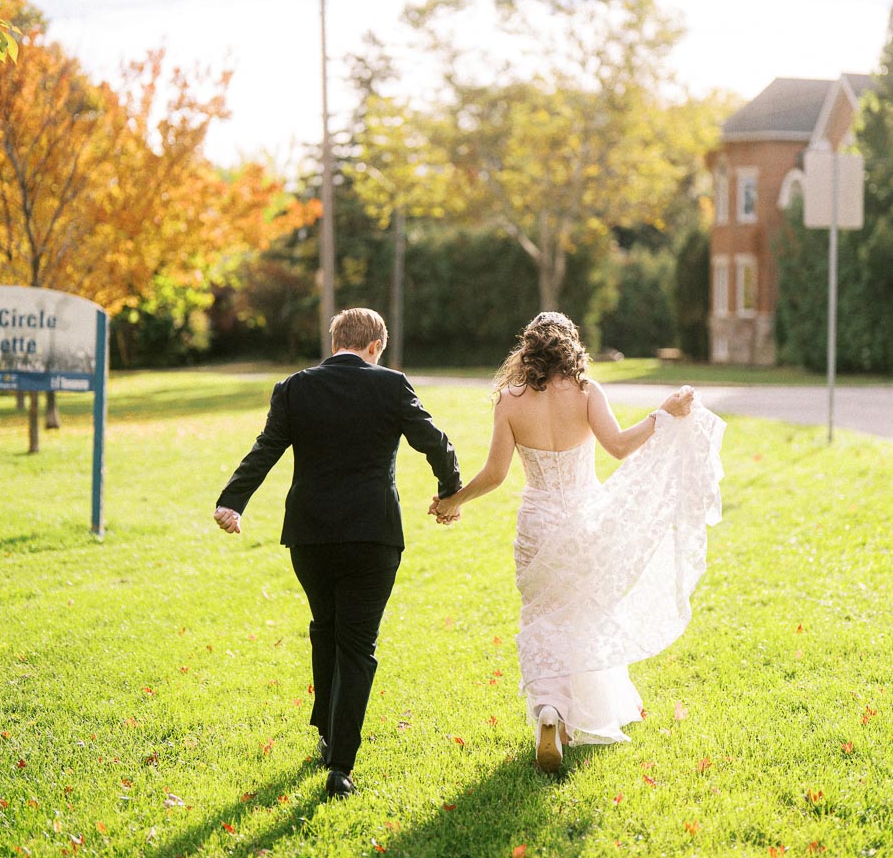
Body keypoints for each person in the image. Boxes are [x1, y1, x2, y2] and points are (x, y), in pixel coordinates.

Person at [430, 312, 724, 774]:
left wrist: (454, 500)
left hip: (537, 524)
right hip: (586, 520)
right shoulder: (587, 392)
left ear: (528, 351)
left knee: (542, 616)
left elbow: (495, 474)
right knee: (581, 615)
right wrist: (662, 413)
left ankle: (551, 710)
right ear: (571, 348)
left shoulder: (509, 400)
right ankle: (563, 718)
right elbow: (621, 447)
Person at [214, 307, 461, 799]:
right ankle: (340, 764)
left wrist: (231, 502)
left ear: (335, 343)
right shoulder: (391, 385)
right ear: (375, 347)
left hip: (309, 536)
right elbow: (435, 442)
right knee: (357, 646)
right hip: (373, 535)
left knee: (325, 628)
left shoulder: (294, 388)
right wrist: (449, 493)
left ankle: (327, 731)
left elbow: (266, 448)